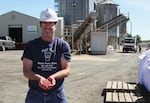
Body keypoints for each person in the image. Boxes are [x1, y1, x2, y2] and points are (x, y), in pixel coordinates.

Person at [22, 8, 71, 103]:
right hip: (35, 95)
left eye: (50, 23)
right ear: (40, 25)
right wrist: (39, 78)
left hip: (57, 95)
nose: (47, 27)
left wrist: (52, 77)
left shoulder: (62, 45)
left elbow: (66, 70)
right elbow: (26, 71)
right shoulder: (31, 46)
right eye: (44, 23)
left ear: (55, 25)